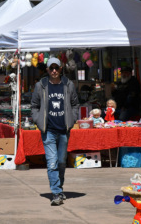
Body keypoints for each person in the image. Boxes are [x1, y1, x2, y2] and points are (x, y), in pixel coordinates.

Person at [31, 57, 79, 206]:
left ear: (60, 69)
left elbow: (75, 104)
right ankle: (56, 193)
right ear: (47, 70)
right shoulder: (41, 85)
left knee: (61, 162)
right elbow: (34, 105)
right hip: (48, 130)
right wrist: (38, 121)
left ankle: (59, 188)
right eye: (51, 68)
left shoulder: (68, 85)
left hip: (64, 130)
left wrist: (72, 121)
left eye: (56, 68)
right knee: (52, 163)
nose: (54, 71)